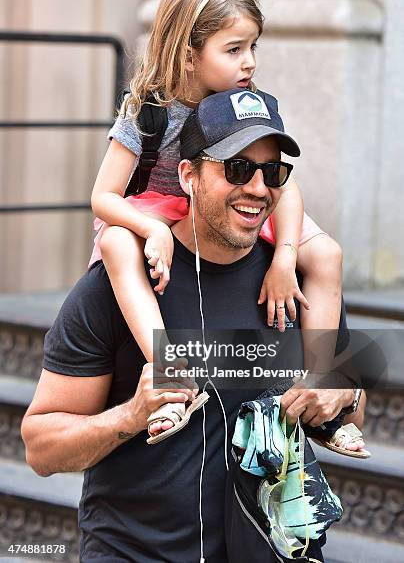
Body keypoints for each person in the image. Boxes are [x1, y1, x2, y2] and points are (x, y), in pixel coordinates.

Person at [22, 89, 366, 563]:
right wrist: (131, 415)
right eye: (238, 168)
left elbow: (354, 409)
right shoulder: (118, 285)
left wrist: (340, 393)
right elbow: (41, 446)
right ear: (188, 175)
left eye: (273, 172)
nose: (258, 188)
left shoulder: (299, 279)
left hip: (279, 550)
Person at [89, 0, 343, 439]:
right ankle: (171, 371)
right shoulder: (147, 111)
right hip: (155, 211)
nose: (249, 62)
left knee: (326, 254)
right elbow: (102, 197)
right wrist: (153, 230)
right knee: (117, 248)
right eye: (234, 49)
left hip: (225, 206)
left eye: (253, 47)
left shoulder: (246, 105)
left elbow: (283, 184)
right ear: (189, 54)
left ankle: (321, 382)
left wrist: (285, 257)